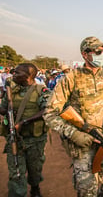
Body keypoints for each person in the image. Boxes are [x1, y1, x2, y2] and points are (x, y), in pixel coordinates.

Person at [43, 36, 103, 197]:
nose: (101, 55)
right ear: (85, 54)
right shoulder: (71, 78)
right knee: (87, 191)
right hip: (83, 148)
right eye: (97, 51)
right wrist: (74, 134)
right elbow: (50, 113)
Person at [0, 63, 50, 197]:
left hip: (35, 139)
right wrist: (7, 111)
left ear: (28, 76)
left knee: (35, 168)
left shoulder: (41, 90)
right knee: (16, 170)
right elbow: (3, 107)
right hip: (15, 138)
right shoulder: (12, 91)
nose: (13, 75)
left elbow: (47, 110)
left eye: (17, 73)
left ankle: (35, 187)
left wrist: (25, 121)